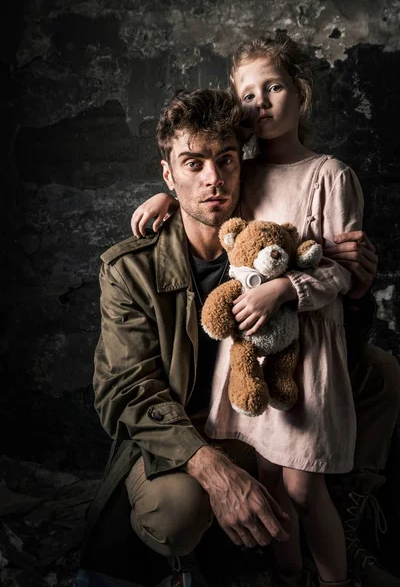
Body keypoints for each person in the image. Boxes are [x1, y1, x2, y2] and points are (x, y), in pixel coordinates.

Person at [129, 36, 400, 587]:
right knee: (273, 477)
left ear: (299, 93)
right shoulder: (243, 173)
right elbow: (209, 195)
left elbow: (341, 270)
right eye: (247, 94)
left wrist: (284, 291)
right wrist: (165, 197)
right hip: (250, 349)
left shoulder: (330, 175)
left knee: (304, 485)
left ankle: (335, 577)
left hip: (306, 350)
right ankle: (288, 572)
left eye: (272, 88)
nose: (260, 103)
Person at [79, 89, 294, 587]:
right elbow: (125, 390)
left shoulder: (272, 243)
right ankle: (191, 557)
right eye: (193, 163)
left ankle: (345, 520)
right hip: (180, 432)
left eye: (225, 160)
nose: (213, 178)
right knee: (175, 516)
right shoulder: (129, 269)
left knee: (382, 373)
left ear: (243, 164)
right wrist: (213, 470)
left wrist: (357, 289)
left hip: (260, 417)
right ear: (168, 175)